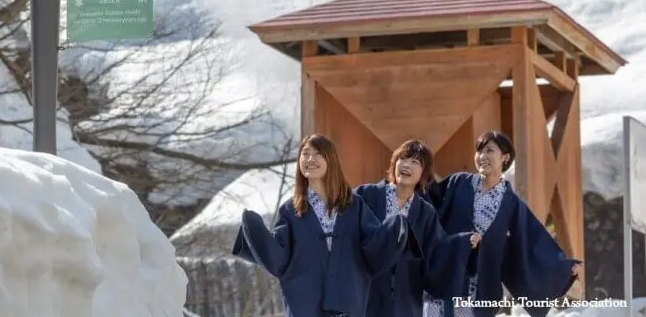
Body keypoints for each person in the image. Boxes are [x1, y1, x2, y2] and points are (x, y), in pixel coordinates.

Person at [232, 133, 414, 317]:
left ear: (330, 159)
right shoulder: (290, 210)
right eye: (305, 153)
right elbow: (279, 258)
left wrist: (397, 227)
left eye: (318, 153)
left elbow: (374, 245)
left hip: (347, 304)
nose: (310, 159)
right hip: (305, 305)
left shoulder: (354, 205)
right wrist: (253, 229)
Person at [422, 130, 582, 317]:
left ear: (505, 158)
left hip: (480, 289)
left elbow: (533, 240)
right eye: (479, 151)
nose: (482, 157)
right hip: (445, 279)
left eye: (489, 151)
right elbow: (428, 201)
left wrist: (562, 267)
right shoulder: (459, 183)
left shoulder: (511, 204)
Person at [355, 140, 480, 317]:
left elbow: (438, 249)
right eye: (403, 159)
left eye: (415, 162)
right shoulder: (365, 195)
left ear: (423, 173)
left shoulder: (425, 212)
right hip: (367, 294)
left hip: (406, 297)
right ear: (394, 163)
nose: (406, 164)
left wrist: (463, 242)